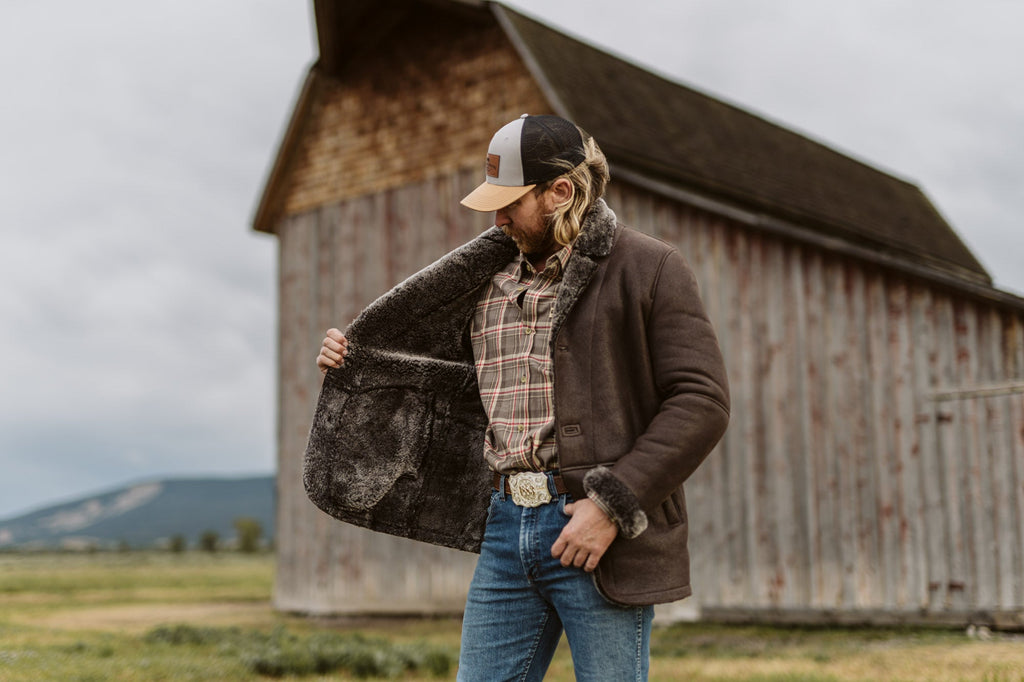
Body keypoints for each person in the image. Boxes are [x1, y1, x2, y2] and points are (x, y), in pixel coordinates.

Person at [308, 114, 729, 680]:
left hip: (593, 530)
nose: (497, 217)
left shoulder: (649, 268)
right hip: (505, 527)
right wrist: (357, 364)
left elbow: (702, 401)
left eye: (511, 202)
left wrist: (612, 505)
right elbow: (436, 383)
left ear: (561, 191)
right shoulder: (482, 281)